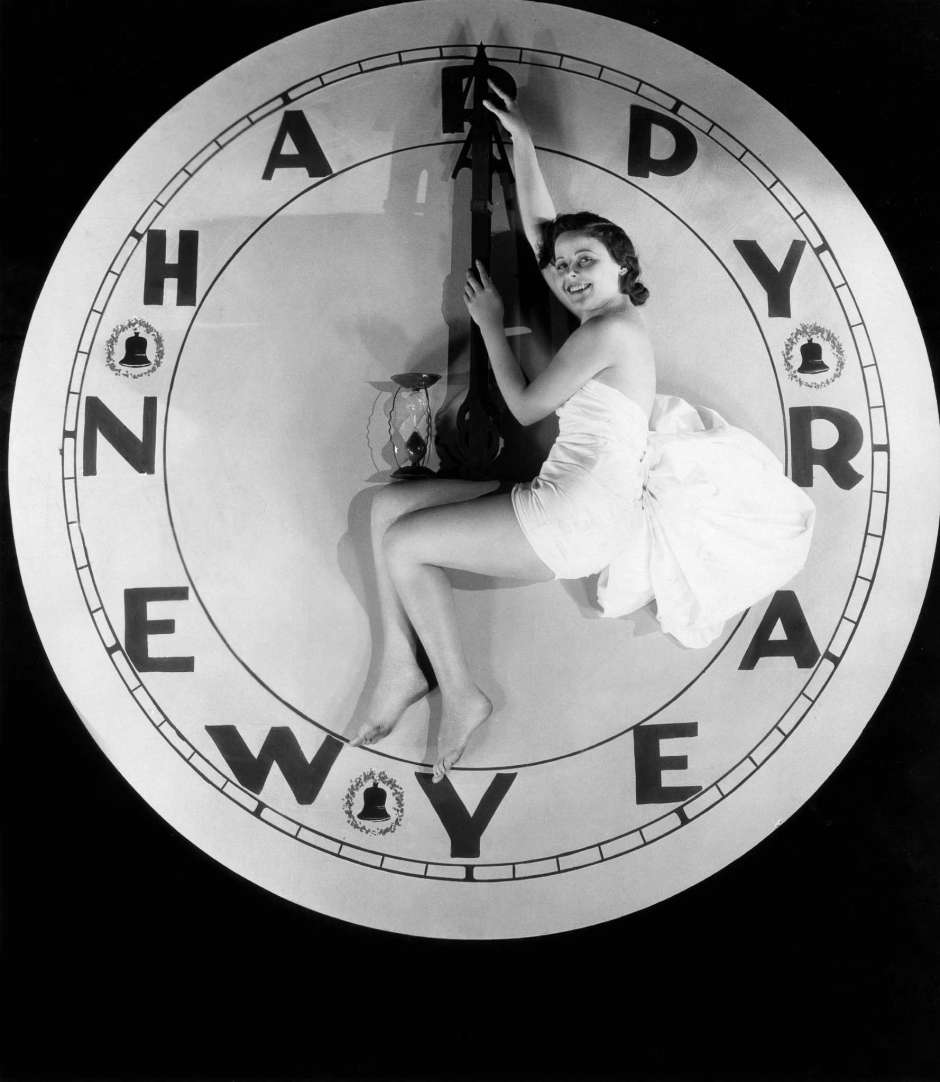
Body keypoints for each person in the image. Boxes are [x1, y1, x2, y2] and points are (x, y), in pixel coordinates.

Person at [351, 82, 814, 781]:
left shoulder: (613, 328)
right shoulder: (604, 319)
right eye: (563, 266)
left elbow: (529, 406)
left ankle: (462, 690)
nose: (567, 274)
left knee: (405, 547)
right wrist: (522, 144)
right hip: (567, 490)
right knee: (387, 508)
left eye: (585, 263)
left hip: (577, 515)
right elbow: (545, 233)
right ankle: (397, 668)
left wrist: (488, 326)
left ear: (623, 269)